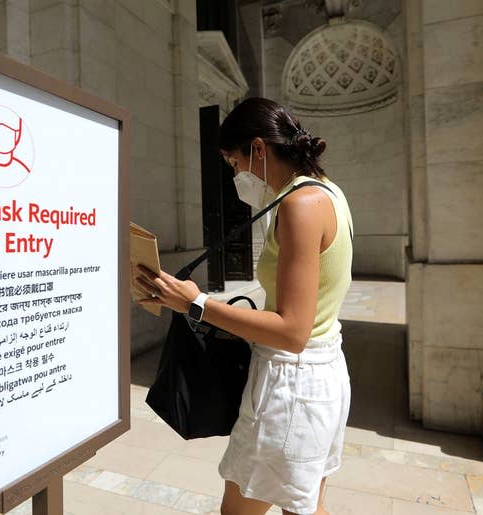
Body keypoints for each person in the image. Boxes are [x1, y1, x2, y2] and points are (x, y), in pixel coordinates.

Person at [136, 97, 353, 515]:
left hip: (293, 385)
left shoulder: (299, 205)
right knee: (306, 506)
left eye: (233, 163)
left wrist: (196, 302)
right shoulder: (328, 192)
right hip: (319, 375)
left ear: (258, 149)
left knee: (240, 511)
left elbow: (292, 332)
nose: (236, 175)